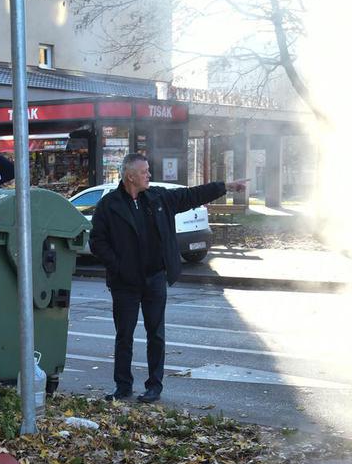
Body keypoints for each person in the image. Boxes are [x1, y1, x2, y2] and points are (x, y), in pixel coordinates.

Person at [90, 154, 245, 402]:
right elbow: (97, 241)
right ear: (130, 176)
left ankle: (154, 386)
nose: (149, 175)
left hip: (154, 279)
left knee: (156, 335)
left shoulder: (158, 197)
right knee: (124, 336)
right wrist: (119, 266)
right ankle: (123, 386)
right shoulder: (109, 205)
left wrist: (224, 186)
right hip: (125, 284)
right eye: (144, 172)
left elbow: (191, 195)